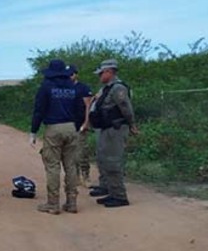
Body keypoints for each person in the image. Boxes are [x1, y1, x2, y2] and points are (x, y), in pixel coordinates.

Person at [30, 59, 85, 215]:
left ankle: (53, 204)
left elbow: (39, 110)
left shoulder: (46, 87)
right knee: (71, 166)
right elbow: (80, 109)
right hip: (71, 127)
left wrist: (33, 131)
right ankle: (72, 202)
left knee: (53, 166)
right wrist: (76, 126)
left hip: (53, 128)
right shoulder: (73, 88)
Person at [88, 59, 139, 208]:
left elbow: (126, 108)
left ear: (109, 72)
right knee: (104, 159)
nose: (99, 76)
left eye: (101, 73)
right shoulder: (107, 88)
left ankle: (119, 196)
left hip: (115, 129)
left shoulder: (118, 88)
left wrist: (132, 125)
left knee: (112, 161)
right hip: (107, 128)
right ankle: (110, 190)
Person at [68, 64, 94, 186]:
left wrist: (86, 122)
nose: (70, 76)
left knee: (81, 151)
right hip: (68, 124)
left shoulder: (82, 88)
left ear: (75, 74)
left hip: (80, 124)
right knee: (70, 152)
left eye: (71, 74)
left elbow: (88, 106)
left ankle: (86, 175)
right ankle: (75, 176)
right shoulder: (63, 88)